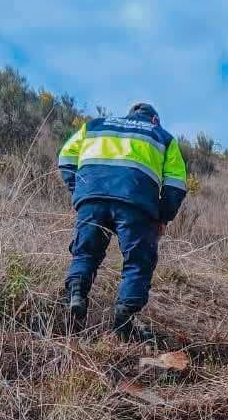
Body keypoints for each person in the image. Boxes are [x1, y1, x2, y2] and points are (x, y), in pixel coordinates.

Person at [57, 102, 188, 339]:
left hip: (92, 199)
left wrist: (81, 190)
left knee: (85, 252)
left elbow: (66, 157)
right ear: (154, 119)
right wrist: (163, 215)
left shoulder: (94, 126)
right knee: (138, 262)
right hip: (136, 205)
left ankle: (76, 295)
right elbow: (175, 184)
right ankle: (123, 322)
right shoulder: (162, 137)